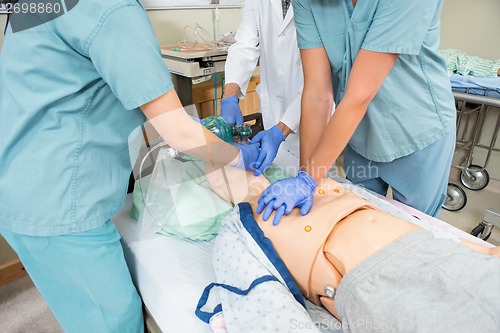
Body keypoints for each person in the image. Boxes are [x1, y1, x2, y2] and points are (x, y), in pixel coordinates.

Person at [0, 1, 259, 332]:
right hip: (58, 200)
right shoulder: (112, 10)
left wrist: (210, 144)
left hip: (20, 180)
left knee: (84, 311)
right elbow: (178, 131)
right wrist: (237, 157)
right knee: (114, 320)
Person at [205, 163, 500, 332]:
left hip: (438, 252)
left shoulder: (320, 182)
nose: (245, 171)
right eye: (218, 176)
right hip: (379, 285)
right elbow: (262, 298)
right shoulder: (239, 228)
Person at [257, 0, 458, 225]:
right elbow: (317, 94)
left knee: (415, 230)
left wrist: (308, 180)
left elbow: (359, 94)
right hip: (359, 134)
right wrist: (306, 178)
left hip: (417, 132)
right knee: (358, 221)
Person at [220, 0, 307, 175]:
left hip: (310, 117)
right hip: (273, 114)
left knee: (315, 186)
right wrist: (229, 96)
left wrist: (281, 130)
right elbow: (245, 45)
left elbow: (323, 79)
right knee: (273, 175)